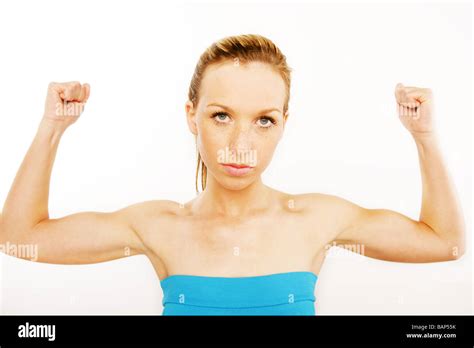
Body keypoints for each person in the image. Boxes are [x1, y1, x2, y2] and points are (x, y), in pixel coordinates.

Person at [0, 34, 466, 315]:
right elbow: (21, 236)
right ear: (192, 116)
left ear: (284, 123)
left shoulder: (316, 219)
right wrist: (52, 128)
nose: (242, 143)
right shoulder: (157, 225)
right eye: (221, 115)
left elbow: (444, 242)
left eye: (264, 120)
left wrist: (424, 136)